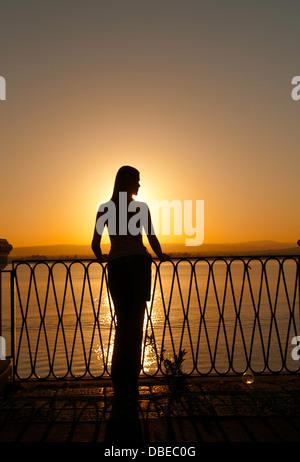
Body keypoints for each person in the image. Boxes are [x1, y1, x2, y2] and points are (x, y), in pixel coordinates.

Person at [91, 166, 169, 398]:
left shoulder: (104, 208)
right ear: (128, 182)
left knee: (122, 324)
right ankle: (131, 381)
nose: (139, 185)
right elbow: (152, 237)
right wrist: (161, 255)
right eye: (137, 180)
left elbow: (95, 244)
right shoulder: (140, 208)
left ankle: (118, 379)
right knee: (135, 325)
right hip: (137, 266)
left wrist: (103, 257)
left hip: (115, 268)